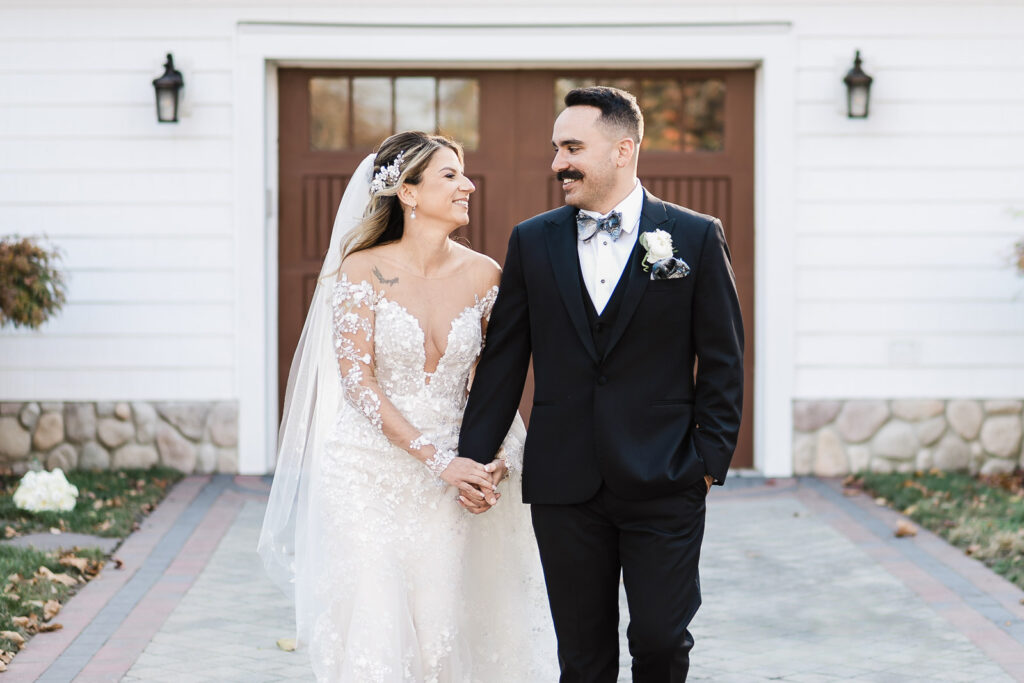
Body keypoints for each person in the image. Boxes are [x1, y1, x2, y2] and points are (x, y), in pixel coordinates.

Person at [458, 86, 745, 682]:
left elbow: (723, 359)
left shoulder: (692, 237)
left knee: (661, 640)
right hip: (566, 482)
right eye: (557, 148)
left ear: (623, 150)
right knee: (583, 658)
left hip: (666, 477)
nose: (557, 163)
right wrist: (473, 456)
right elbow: (505, 360)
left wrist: (708, 461)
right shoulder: (532, 241)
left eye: (571, 147)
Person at [258, 131, 556, 682]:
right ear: (408, 192)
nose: (468, 185)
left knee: (439, 625)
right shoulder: (360, 270)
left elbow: (493, 382)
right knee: (377, 617)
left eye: (464, 174)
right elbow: (357, 381)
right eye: (450, 175)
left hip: (452, 477)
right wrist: (435, 458)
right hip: (367, 473)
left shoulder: (486, 274)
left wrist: (494, 459)